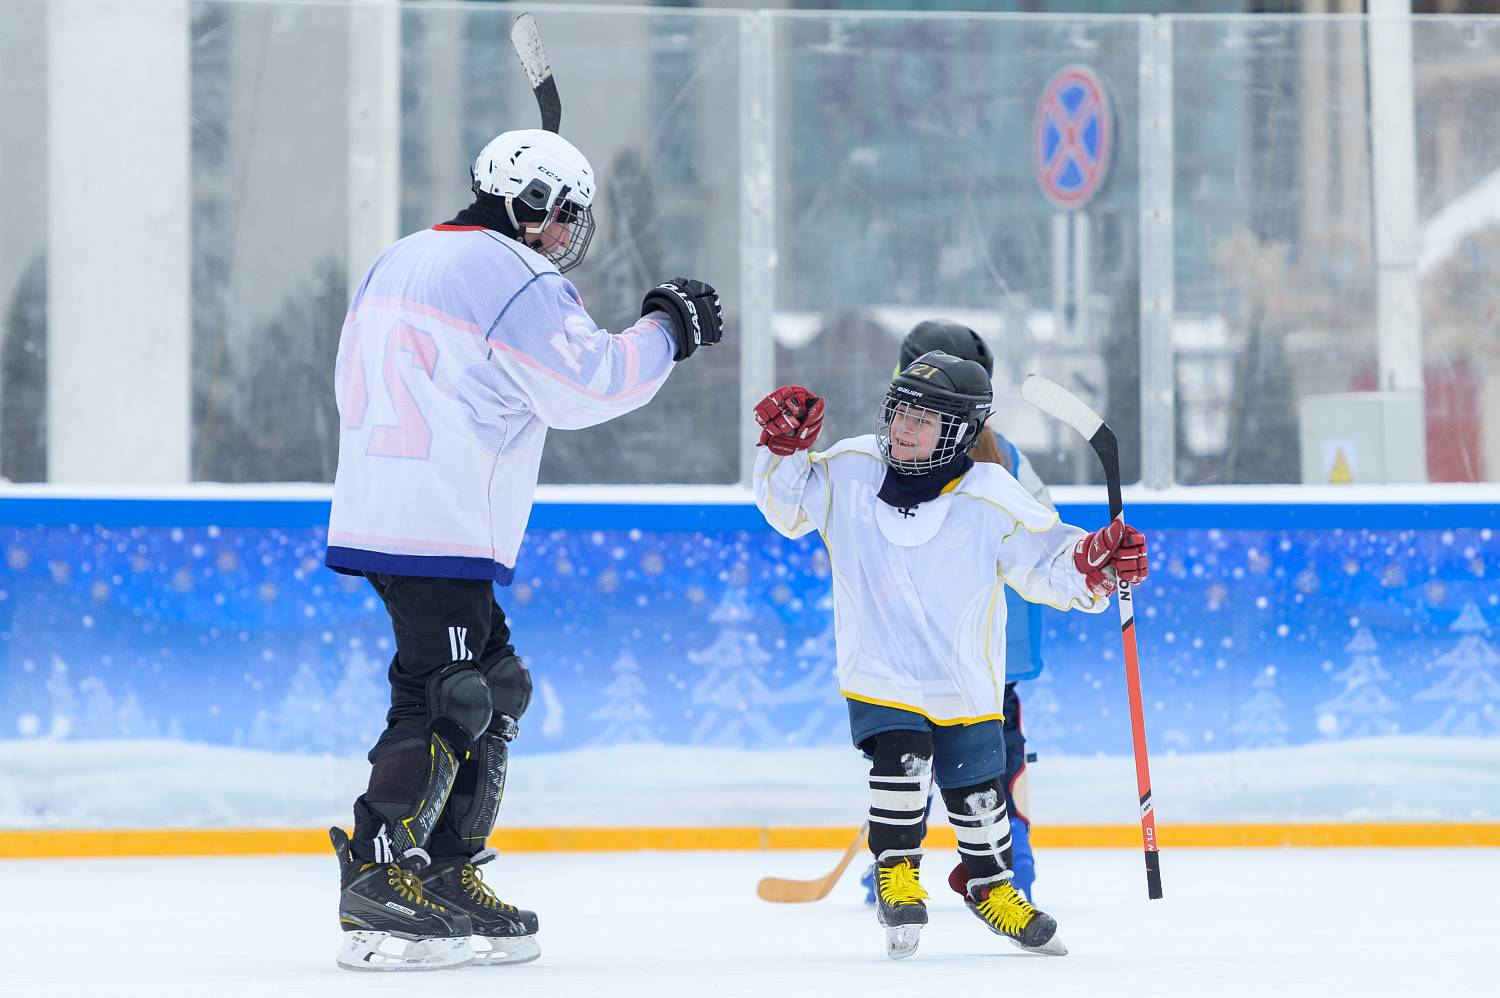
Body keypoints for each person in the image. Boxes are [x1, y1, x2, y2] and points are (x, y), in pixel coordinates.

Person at [324, 128, 725, 971]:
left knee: (493, 683)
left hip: (395, 508)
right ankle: (381, 869)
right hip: (436, 516)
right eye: (563, 213)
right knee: (449, 693)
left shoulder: (401, 256)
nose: (567, 233)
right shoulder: (512, 273)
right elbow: (588, 383)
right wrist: (667, 328)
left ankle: (444, 867)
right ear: (529, 202)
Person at [752, 352, 1147, 960]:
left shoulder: (992, 496)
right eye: (900, 413)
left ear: (960, 432)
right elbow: (788, 506)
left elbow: (1047, 562)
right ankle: (896, 872)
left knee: (979, 790)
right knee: (901, 758)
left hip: (964, 682)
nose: (903, 429)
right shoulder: (853, 467)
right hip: (879, 669)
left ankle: (990, 887)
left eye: (924, 420)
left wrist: (1094, 563)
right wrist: (784, 449)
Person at [857, 320, 1053, 903]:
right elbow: (1045, 545)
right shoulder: (1012, 460)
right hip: (991, 657)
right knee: (993, 761)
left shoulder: (902, 458)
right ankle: (1013, 868)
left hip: (939, 649)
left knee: (904, 754)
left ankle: (889, 871)